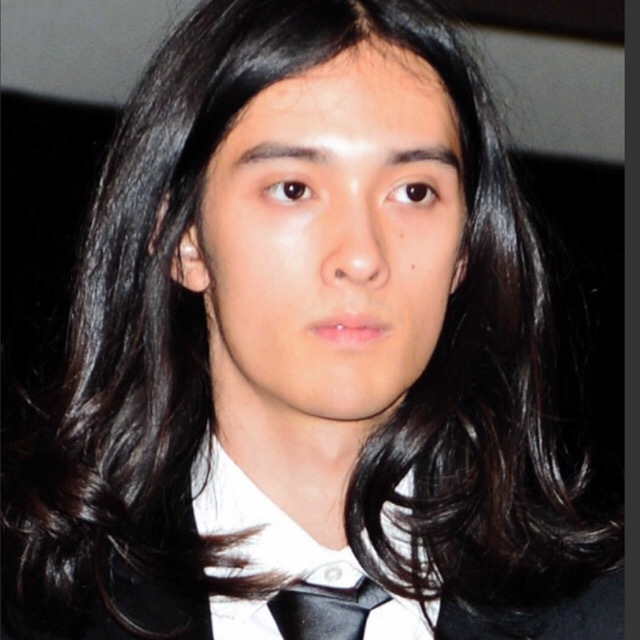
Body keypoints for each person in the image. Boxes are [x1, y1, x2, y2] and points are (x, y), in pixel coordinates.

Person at [1, 0, 623, 639]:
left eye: (414, 192)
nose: (361, 256)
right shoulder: (35, 609)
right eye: (293, 189)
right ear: (185, 240)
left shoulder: (607, 614)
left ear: (465, 251)